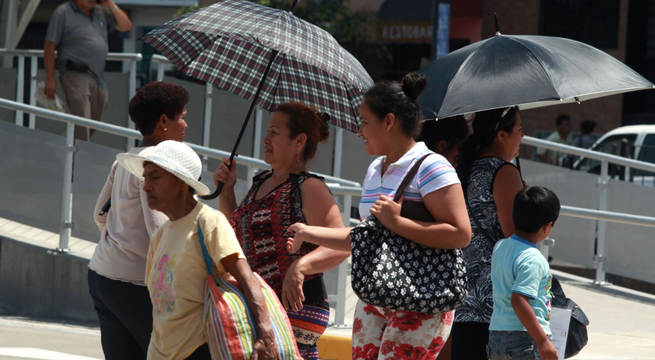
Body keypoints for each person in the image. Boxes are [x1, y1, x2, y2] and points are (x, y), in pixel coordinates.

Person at [285, 73, 472, 360]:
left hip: (423, 297)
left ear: (389, 121)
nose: (359, 131)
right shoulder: (374, 170)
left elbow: (460, 233)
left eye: (364, 122)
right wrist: (309, 233)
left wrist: (397, 222)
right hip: (376, 295)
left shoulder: (433, 166)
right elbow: (366, 236)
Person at [117, 141, 280, 360]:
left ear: (182, 183)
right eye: (145, 178)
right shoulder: (160, 236)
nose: (146, 186)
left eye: (155, 177)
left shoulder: (208, 222)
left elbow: (246, 278)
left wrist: (266, 334)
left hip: (198, 351)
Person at [213, 103, 349, 360]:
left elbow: (341, 243)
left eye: (274, 132)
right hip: (263, 301)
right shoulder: (262, 181)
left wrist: (300, 266)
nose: (265, 139)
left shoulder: (309, 186)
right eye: (267, 131)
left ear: (299, 141)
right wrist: (227, 190)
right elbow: (234, 236)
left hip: (296, 303)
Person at [89, 81, 189, 360]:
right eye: (182, 117)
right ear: (163, 121)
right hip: (133, 285)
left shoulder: (125, 159)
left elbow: (99, 214)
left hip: (101, 276)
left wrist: (121, 241)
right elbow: (160, 232)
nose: (185, 125)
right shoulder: (157, 167)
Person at [452, 107, 525, 360]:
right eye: (519, 129)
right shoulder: (504, 173)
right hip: (496, 302)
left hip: (464, 297)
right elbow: (516, 239)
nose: (523, 136)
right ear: (502, 136)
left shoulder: (465, 168)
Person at [488, 186, 560, 360]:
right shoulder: (533, 258)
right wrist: (542, 341)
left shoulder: (500, 246)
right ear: (547, 227)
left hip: (496, 335)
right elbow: (519, 301)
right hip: (525, 338)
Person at [44, 0, 132, 141]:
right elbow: (49, 45)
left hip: (98, 76)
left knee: (95, 120)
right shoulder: (63, 12)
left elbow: (126, 26)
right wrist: (50, 77)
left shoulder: (100, 11)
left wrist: (110, 4)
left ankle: (70, 141)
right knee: (82, 116)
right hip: (74, 72)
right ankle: (77, 158)